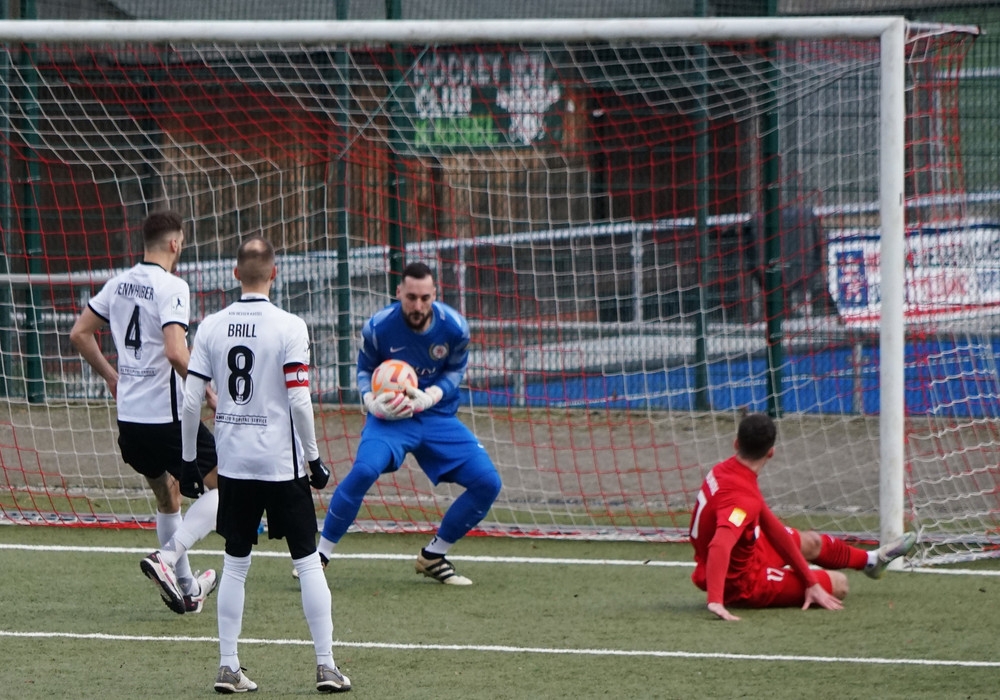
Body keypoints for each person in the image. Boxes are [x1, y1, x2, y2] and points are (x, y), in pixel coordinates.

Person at [181, 235, 350, 693]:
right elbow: (299, 400)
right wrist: (314, 459)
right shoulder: (290, 326)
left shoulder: (212, 326)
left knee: (235, 564)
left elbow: (192, 399)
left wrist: (188, 459)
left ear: (236, 274)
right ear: (275, 273)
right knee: (308, 562)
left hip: (234, 466)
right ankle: (326, 666)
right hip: (282, 465)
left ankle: (228, 666)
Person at [314, 261, 502, 586]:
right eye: (411, 297)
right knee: (364, 470)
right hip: (391, 418)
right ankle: (318, 556)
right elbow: (364, 370)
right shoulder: (378, 327)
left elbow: (455, 371)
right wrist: (370, 400)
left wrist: (430, 396)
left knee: (488, 482)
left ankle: (433, 555)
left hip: (436, 416)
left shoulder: (455, 328)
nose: (418, 306)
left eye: (425, 298)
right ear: (399, 292)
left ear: (434, 295)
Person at [69, 209, 220, 615]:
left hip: (130, 422)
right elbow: (176, 352)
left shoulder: (118, 283)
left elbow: (79, 333)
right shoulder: (172, 286)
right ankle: (167, 557)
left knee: (168, 496)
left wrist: (111, 377)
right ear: (174, 243)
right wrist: (208, 390)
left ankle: (187, 590)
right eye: (181, 243)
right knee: (230, 490)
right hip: (167, 420)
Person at [689, 412, 917, 622]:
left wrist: (810, 580)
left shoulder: (724, 471)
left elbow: (775, 532)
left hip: (749, 552)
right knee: (839, 584)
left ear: (736, 443)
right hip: (742, 584)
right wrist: (716, 600)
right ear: (771, 452)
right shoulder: (743, 499)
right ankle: (770, 587)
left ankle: (871, 561)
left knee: (812, 542)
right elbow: (720, 543)